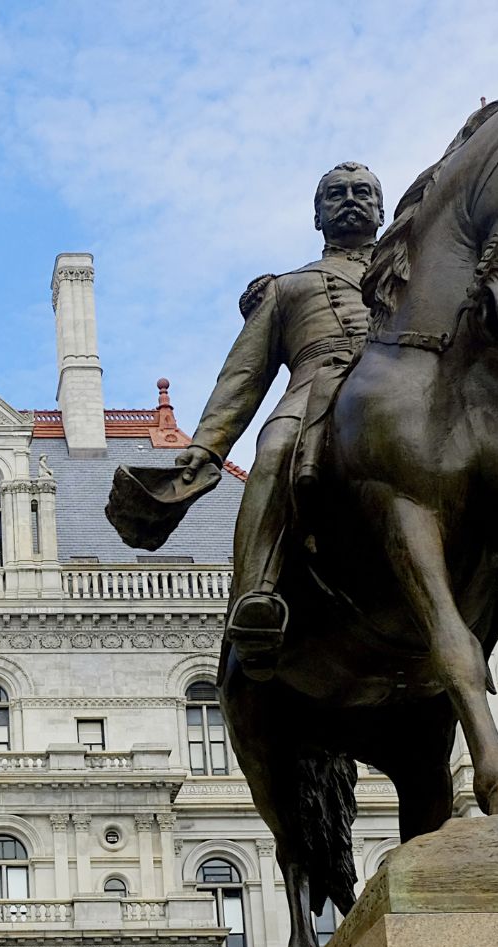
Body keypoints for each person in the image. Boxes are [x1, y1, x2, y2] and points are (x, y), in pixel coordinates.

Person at [172, 163, 384, 678]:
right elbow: (242, 375)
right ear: (317, 216)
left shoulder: (420, 270)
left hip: (410, 382)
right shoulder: (288, 288)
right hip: (317, 389)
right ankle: (256, 594)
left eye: (362, 193)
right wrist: (208, 446)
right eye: (336, 194)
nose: (350, 201)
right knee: (274, 451)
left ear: (382, 209)